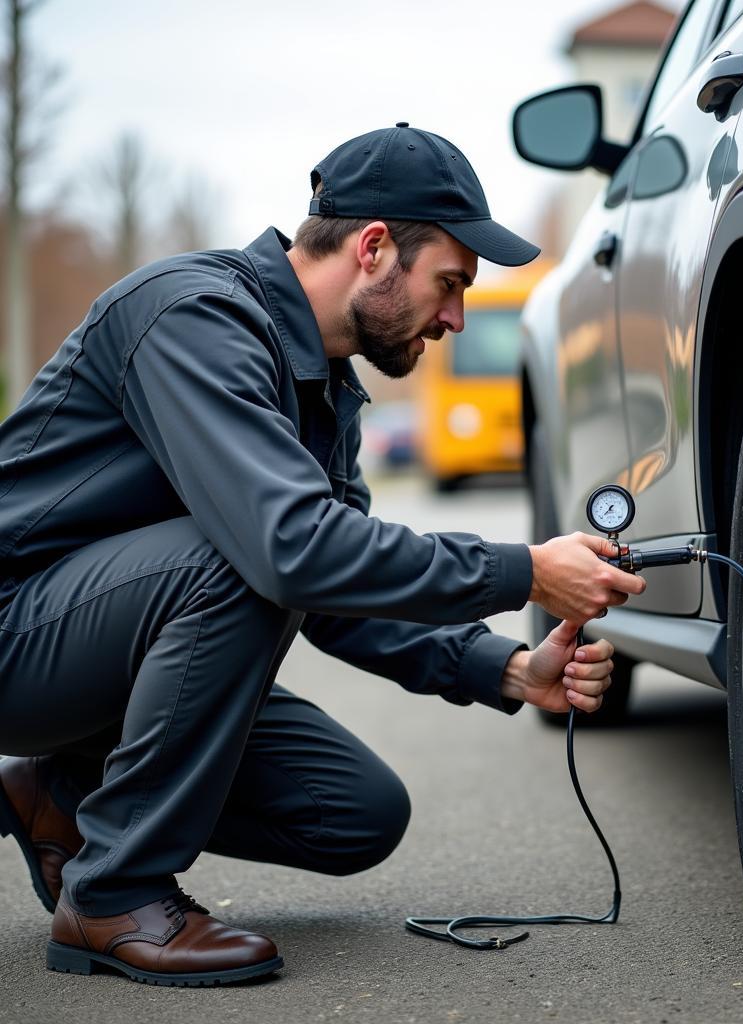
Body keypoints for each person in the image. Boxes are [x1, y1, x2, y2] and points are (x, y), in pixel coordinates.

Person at [0, 123, 645, 987]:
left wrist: (507, 669)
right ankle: (113, 891)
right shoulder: (193, 316)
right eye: (449, 284)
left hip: (91, 653)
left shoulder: (322, 390)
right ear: (375, 248)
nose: (455, 317)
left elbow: (336, 598)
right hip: (17, 632)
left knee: (354, 814)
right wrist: (524, 569)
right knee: (241, 554)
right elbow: (291, 550)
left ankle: (64, 793)